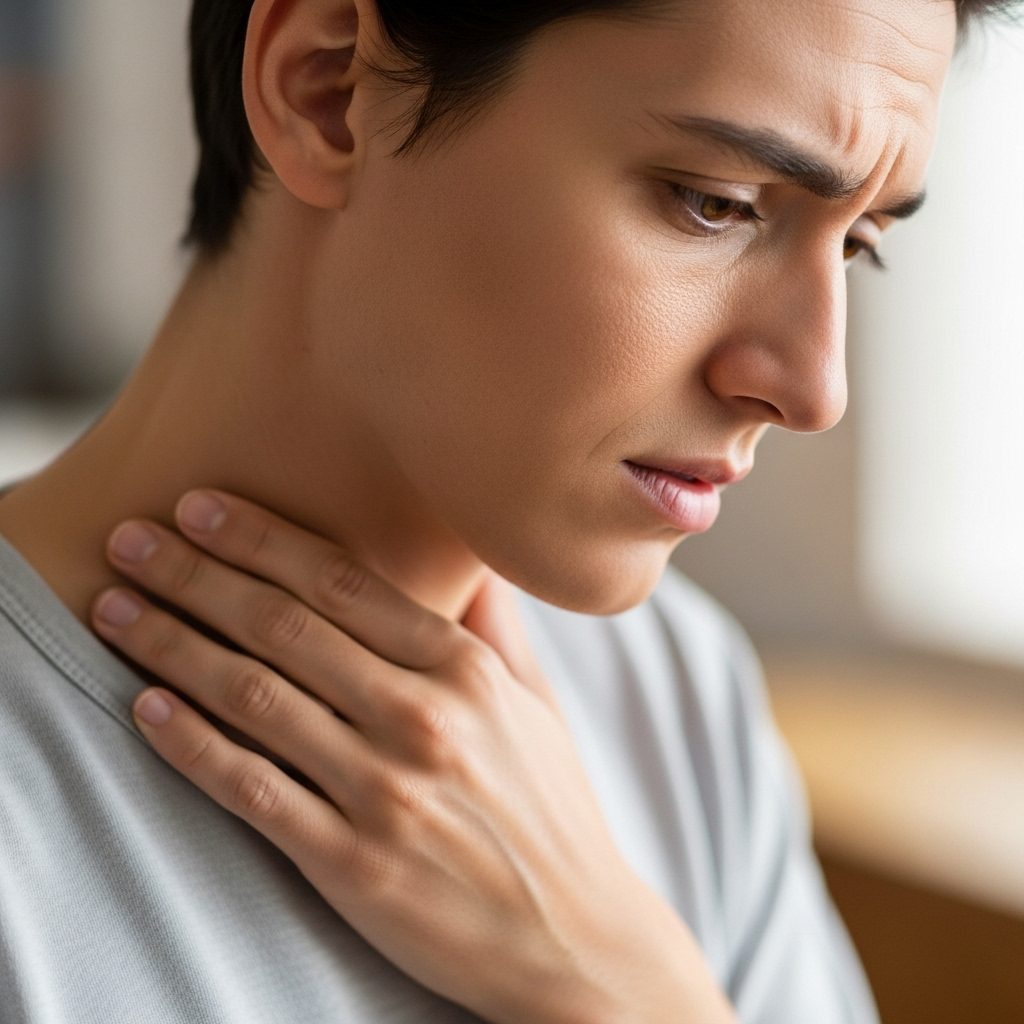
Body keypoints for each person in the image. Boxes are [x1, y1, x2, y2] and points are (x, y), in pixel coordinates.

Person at [0, 0, 1005, 1021]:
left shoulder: (677, 705)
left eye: (858, 245)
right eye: (716, 202)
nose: (812, 387)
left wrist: (625, 991)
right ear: (330, 91)